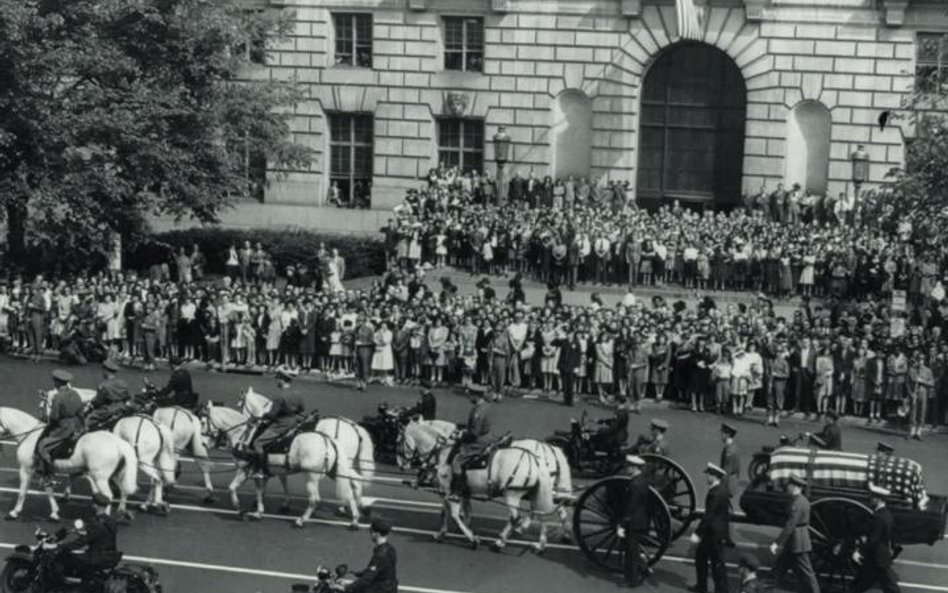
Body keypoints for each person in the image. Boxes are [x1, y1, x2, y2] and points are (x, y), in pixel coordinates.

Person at [247, 369, 304, 477]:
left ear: (282, 380)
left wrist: (260, 416)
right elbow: (301, 409)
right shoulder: (297, 394)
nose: (277, 381)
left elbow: (272, 415)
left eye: (278, 379)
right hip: (294, 422)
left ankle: (261, 470)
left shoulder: (280, 397)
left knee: (257, 443)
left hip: (281, 424)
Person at [769, 476, 820, 593]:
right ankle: (763, 589)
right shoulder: (802, 500)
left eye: (789, 485)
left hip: (798, 543)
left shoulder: (797, 503)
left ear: (796, 487)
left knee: (807, 574)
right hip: (795, 542)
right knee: (777, 569)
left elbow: (790, 525)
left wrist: (777, 543)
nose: (788, 487)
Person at [850, 484, 901, 593]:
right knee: (859, 586)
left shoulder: (878, 516)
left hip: (876, 559)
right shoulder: (887, 514)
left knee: (859, 587)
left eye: (873, 497)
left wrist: (859, 552)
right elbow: (892, 535)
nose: (870, 498)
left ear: (878, 499)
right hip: (880, 558)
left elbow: (873, 539)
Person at [57, 493, 121, 580]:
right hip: (111, 556)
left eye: (93, 504)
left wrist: (59, 546)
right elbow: (102, 535)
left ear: (95, 506)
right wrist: (80, 532)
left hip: (97, 557)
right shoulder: (110, 521)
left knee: (67, 558)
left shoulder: (95, 523)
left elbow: (80, 543)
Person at [35, 370, 84, 480]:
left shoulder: (58, 397)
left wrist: (48, 422)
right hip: (75, 425)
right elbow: (81, 412)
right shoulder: (75, 394)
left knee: (42, 446)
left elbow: (54, 417)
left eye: (55, 382)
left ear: (57, 383)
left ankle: (49, 472)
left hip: (63, 429)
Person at [689, 463, 730, 593]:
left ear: (715, 476)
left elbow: (709, 515)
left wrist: (697, 533)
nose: (707, 477)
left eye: (709, 474)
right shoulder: (721, 489)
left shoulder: (715, 493)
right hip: (715, 532)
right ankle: (704, 587)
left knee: (716, 563)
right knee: (704, 558)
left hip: (712, 534)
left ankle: (717, 589)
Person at [450, 390, 493, 497]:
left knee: (456, 462)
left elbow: (474, 433)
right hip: (487, 436)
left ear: (476, 396)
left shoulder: (478, 411)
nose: (469, 397)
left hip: (478, 441)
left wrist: (460, 435)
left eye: (471, 395)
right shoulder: (486, 406)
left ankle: (457, 491)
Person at [618, 455, 649, 588]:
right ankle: (643, 570)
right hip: (640, 521)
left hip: (633, 523)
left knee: (631, 552)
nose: (626, 469)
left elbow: (631, 507)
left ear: (634, 467)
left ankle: (633, 580)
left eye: (628, 466)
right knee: (633, 550)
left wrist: (622, 525)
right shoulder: (641, 481)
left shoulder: (635, 485)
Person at [343, 518, 398, 593]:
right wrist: (358, 573)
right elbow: (382, 570)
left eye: (371, 531)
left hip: (381, 589)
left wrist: (346, 587)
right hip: (389, 587)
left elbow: (366, 579)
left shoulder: (380, 555)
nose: (370, 534)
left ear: (377, 534)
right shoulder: (390, 548)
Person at [86, 360, 132, 429]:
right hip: (122, 407)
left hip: (108, 410)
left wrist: (91, 403)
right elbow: (127, 397)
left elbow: (97, 402)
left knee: (88, 420)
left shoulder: (104, 386)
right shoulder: (122, 383)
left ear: (105, 371)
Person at [720, 423, 740, 492]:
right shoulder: (734, 446)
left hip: (727, 485)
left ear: (727, 434)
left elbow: (727, 470)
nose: (721, 435)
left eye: (722, 433)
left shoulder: (729, 450)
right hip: (732, 482)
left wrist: (720, 486)